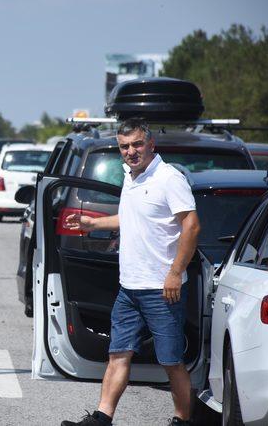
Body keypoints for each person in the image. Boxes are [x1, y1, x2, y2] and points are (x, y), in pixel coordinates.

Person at [61, 118, 201, 426]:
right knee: (118, 354)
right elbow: (130, 218)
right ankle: (102, 418)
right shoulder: (131, 176)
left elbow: (191, 226)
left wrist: (175, 272)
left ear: (151, 144)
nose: (131, 151)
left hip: (163, 290)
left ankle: (183, 421)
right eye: (125, 146)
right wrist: (92, 224)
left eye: (137, 144)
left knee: (171, 362)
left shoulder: (168, 178)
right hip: (130, 287)